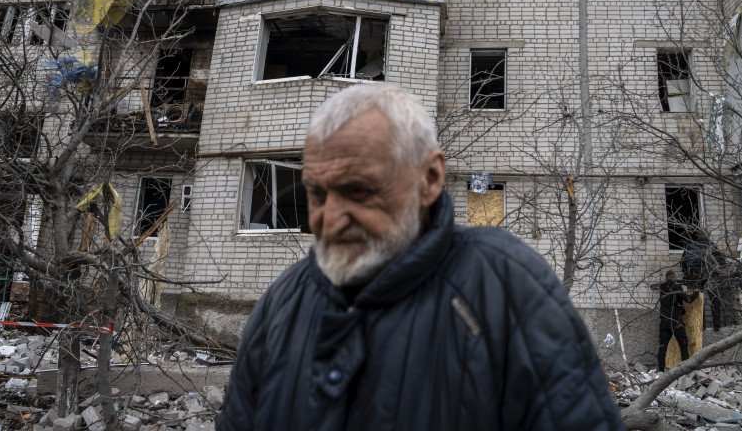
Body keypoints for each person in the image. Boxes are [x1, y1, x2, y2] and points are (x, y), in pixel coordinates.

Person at [219, 84, 624, 430]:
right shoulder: (282, 304)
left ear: (429, 179)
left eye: (359, 191)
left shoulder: (505, 287)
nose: (330, 220)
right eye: (317, 194)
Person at [657, 270, 697, 370]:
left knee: (662, 347)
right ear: (674, 277)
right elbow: (688, 299)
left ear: (666, 278)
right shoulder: (677, 287)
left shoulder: (662, 288)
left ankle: (660, 371)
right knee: (683, 345)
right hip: (675, 321)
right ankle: (685, 369)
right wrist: (696, 291)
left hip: (664, 322)